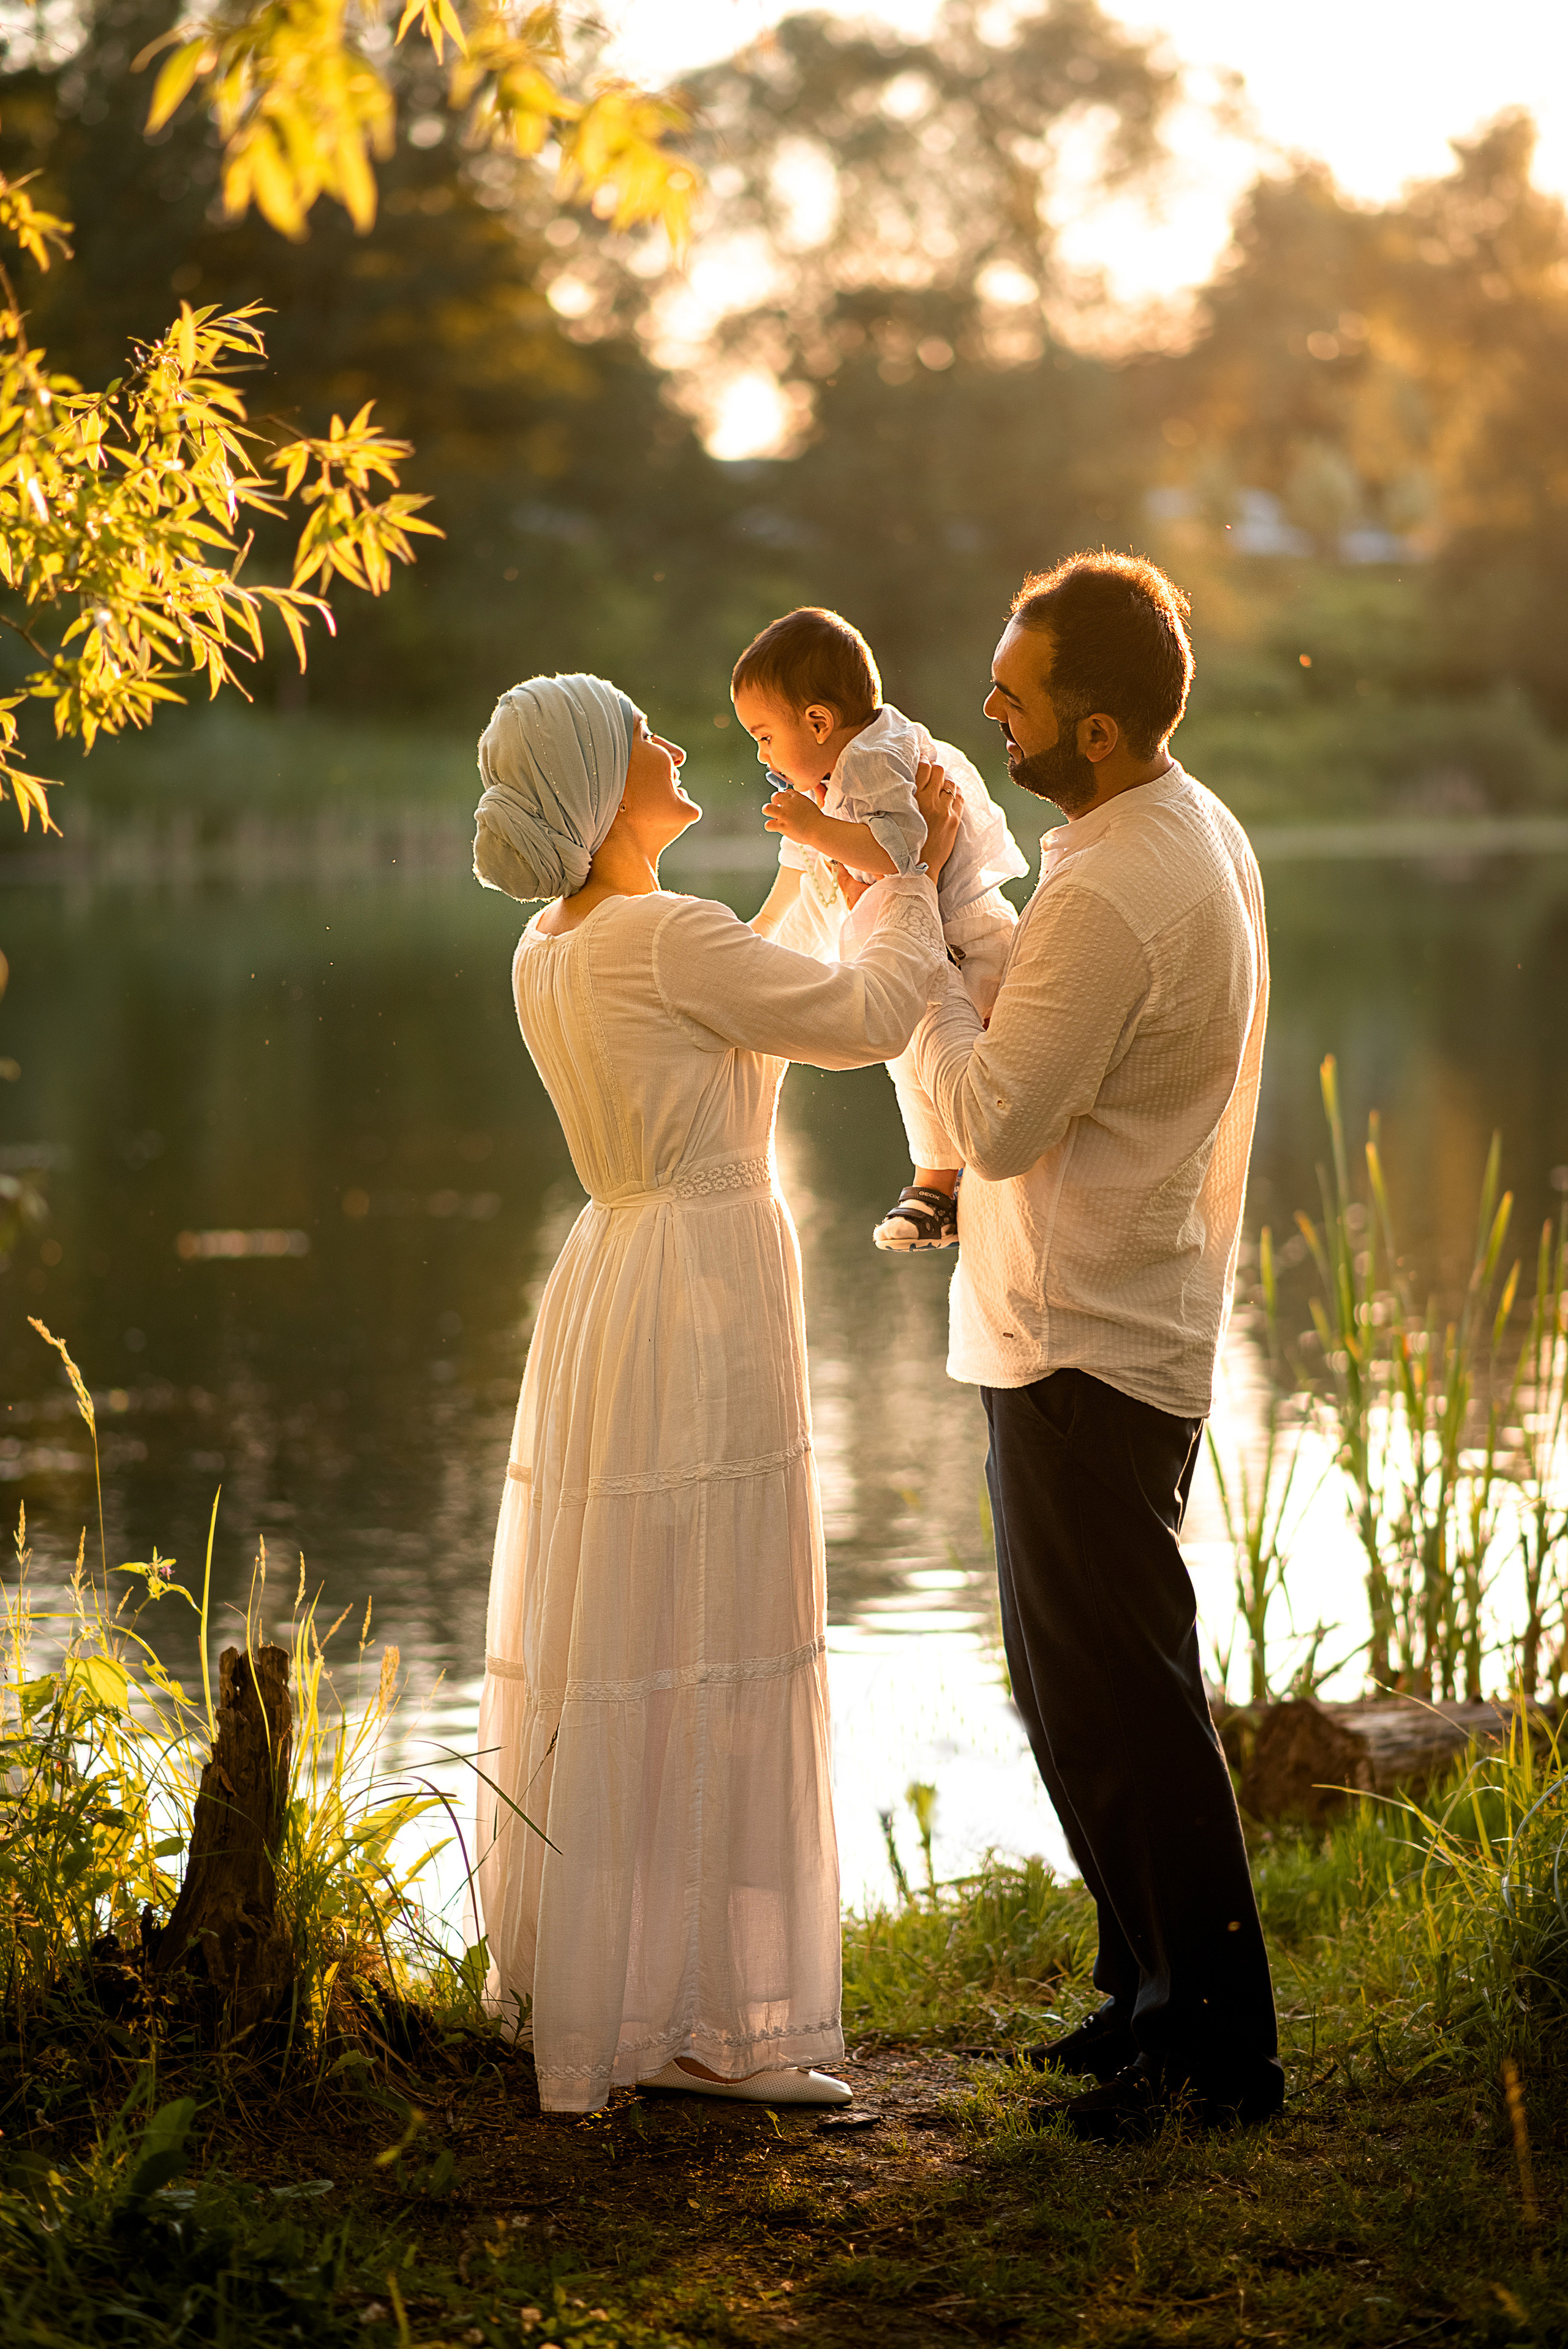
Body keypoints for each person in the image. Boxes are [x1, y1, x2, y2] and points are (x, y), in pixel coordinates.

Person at [469, 671, 960, 2117]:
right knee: (703, 1619)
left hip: (617, 1273)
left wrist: (823, 860)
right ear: (598, 789)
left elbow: (746, 981)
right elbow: (867, 1014)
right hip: (696, 1284)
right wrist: (907, 870)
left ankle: (615, 1986)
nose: (676, 747)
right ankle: (695, 2025)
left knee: (629, 1613)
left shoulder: (560, 943)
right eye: (645, 740)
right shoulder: (662, 938)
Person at [906, 553, 1281, 2143]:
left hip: (1084, 1337)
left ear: (1105, 727)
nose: (994, 708)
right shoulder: (1168, 829)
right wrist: (960, 904)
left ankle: (1213, 2052)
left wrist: (910, 949)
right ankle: (1147, 1998)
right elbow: (1053, 1020)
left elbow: (994, 1118)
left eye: (1019, 694)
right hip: (1106, 1315)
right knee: (1080, 1689)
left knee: (1123, 1700)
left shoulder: (1119, 881)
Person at [733, 606, 1027, 1254]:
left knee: (958, 1064)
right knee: (911, 1056)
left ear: (817, 722)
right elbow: (800, 869)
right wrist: (762, 929)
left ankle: (945, 1186)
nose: (762, 755)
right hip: (930, 940)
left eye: (762, 736)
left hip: (969, 937)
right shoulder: (831, 773)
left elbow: (901, 851)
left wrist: (814, 828)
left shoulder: (873, 757)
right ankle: (937, 1188)